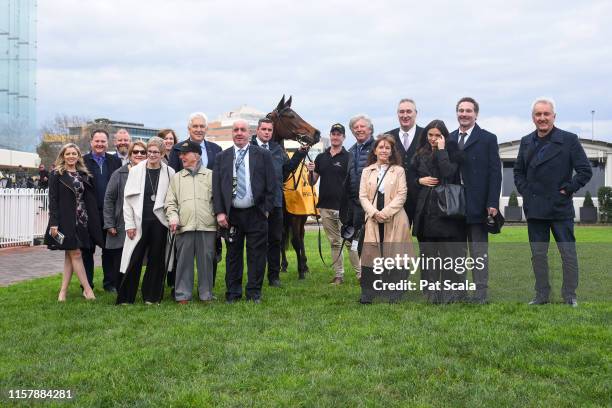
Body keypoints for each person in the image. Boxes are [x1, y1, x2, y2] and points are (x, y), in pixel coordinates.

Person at [514, 98, 592, 307]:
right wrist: (526, 192)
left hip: (560, 208)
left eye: (546, 114)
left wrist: (567, 189)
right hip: (535, 208)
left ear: (553, 116)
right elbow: (518, 172)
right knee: (538, 255)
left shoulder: (569, 140)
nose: (542, 118)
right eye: (538, 115)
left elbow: (585, 170)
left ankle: (570, 295)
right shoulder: (526, 141)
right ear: (533, 118)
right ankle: (541, 295)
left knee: (567, 253)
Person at [213, 120, 276, 303]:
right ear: (231, 133)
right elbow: (216, 187)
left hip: (256, 212)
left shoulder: (263, 155)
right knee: (233, 255)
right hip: (232, 214)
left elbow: (272, 185)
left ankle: (254, 292)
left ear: (250, 133)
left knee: (256, 255)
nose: (239, 133)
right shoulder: (222, 157)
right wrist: (220, 212)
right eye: (236, 130)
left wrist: (266, 210)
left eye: (243, 130)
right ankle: (233, 293)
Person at [449, 97, 502, 304]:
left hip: (478, 205)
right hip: (454, 206)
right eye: (461, 110)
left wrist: (492, 203)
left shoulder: (488, 138)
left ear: (476, 114)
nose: (464, 114)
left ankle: (480, 294)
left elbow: (495, 173)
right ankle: (460, 291)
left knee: (478, 252)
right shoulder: (450, 138)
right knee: (457, 252)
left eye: (468, 111)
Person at [410, 120, 466, 304]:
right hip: (425, 209)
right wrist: (420, 181)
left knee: (449, 253)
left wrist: (442, 151)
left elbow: (449, 173)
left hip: (446, 211)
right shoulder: (419, 154)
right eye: (430, 135)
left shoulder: (453, 152)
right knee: (428, 253)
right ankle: (430, 292)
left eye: (437, 135)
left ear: (444, 136)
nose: (433, 139)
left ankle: (451, 291)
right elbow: (410, 177)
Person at [116, 137, 175, 304]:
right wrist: (129, 224)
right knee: (133, 259)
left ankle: (152, 297)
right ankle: (126, 298)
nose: (152, 154)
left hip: (160, 223)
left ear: (163, 153)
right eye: (149, 151)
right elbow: (127, 201)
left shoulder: (170, 173)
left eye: (156, 152)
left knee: (157, 260)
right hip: (139, 222)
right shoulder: (136, 170)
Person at [250, 118, 306, 287]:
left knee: (276, 240)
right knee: (257, 241)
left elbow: (286, 169)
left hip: (276, 202)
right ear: (257, 130)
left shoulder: (276, 149)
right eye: (264, 129)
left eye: (269, 130)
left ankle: (273, 277)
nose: (267, 132)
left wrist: (300, 154)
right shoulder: (250, 147)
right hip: (255, 204)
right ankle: (256, 276)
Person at [44, 143, 103, 301]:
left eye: (74, 153)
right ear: (63, 156)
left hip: (82, 220)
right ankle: (88, 290)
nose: (71, 156)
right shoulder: (56, 174)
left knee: (70, 255)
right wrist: (54, 224)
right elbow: (53, 200)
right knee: (76, 253)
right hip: (64, 221)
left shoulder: (83, 174)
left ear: (78, 156)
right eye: (68, 153)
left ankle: (63, 292)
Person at [358, 135, 411, 303]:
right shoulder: (367, 171)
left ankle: (394, 292)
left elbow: (402, 195)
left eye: (387, 148)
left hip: (395, 218)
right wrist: (374, 213)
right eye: (381, 147)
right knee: (370, 254)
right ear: (375, 150)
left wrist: (385, 212)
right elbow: (363, 196)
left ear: (391, 151)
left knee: (395, 255)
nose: (384, 150)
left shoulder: (399, 170)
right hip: (373, 218)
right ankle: (368, 292)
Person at [307, 123, 359, 284]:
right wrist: (310, 170)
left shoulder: (349, 156)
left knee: (351, 242)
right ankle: (339, 275)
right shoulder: (321, 157)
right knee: (335, 243)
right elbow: (312, 181)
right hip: (325, 206)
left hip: (345, 207)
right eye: (333, 134)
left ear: (343, 137)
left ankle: (360, 275)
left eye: (339, 134)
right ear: (330, 136)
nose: (335, 137)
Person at [165, 140, 217, 304]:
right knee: (184, 263)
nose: (181, 157)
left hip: (207, 227)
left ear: (196, 155)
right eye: (180, 154)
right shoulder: (177, 178)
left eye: (185, 154)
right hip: (184, 227)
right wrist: (173, 217)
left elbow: (217, 200)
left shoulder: (210, 175)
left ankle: (206, 294)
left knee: (206, 263)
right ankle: (182, 295)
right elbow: (170, 202)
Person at [102, 141, 147, 295]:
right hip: (121, 224)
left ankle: (133, 286)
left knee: (137, 257)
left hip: (142, 223)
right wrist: (109, 224)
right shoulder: (119, 174)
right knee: (120, 257)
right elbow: (109, 199)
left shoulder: (149, 173)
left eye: (142, 152)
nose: (139, 154)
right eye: (136, 152)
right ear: (130, 155)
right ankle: (119, 286)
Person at [82, 129, 122, 291]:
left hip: (109, 213)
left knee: (109, 250)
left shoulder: (115, 161)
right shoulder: (82, 161)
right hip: (88, 214)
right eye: (97, 141)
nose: (100, 144)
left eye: (103, 141)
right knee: (87, 251)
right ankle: (87, 285)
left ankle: (110, 283)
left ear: (108, 143)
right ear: (91, 142)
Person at [339, 114, 376, 279]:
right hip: (355, 205)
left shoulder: (377, 147)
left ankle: (381, 277)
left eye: (362, 126)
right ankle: (367, 277)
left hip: (374, 204)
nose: (359, 129)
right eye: (356, 127)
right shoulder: (351, 150)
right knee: (360, 243)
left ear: (370, 129)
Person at [386, 98, 423, 226]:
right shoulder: (388, 137)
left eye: (409, 111)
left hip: (421, 197)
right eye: (401, 112)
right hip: (394, 197)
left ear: (415, 113)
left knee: (425, 241)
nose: (405, 115)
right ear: (397, 114)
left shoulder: (426, 136)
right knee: (396, 240)